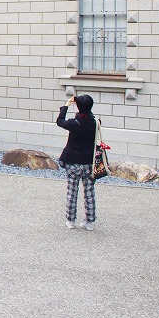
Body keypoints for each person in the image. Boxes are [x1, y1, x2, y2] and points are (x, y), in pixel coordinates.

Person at [56, 94, 97, 231]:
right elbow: (90, 116)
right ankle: (89, 221)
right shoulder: (95, 122)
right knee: (89, 192)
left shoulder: (74, 123)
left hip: (73, 162)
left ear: (78, 107)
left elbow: (60, 121)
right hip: (89, 163)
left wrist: (67, 105)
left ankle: (71, 220)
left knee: (72, 192)